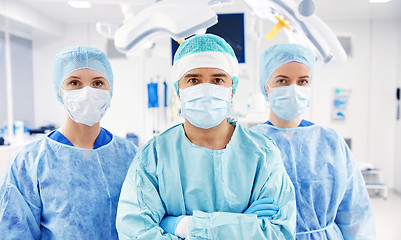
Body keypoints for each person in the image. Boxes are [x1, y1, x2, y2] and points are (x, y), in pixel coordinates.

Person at [116, 34, 296, 240]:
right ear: (179, 89)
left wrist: (182, 225)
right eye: (193, 80)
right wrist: (241, 226)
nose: (206, 89)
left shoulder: (262, 154)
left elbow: (280, 233)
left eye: (218, 80)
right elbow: (136, 234)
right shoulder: (154, 157)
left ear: (232, 90)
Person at [0, 46, 137, 239]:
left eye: (98, 83)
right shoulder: (28, 163)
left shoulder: (131, 157)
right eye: (74, 83)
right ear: (60, 91)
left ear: (110, 90)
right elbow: (14, 232)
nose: (87, 92)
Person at [251, 43, 375, 239]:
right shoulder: (250, 144)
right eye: (282, 81)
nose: (293, 88)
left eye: (302, 81)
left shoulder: (331, 142)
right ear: (265, 87)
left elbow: (356, 213)